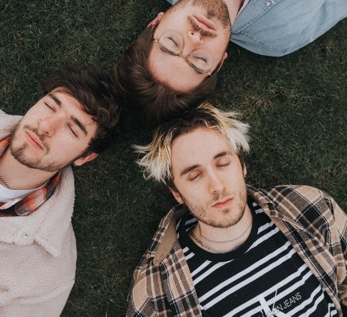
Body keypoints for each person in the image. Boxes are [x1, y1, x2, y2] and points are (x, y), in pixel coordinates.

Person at [115, 0, 347, 126]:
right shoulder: (282, 33)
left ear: (155, 23)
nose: (194, 39)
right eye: (199, 61)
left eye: (171, 43)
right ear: (219, 63)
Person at [127, 102, 347, 316]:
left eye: (223, 164)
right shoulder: (155, 289)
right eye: (194, 176)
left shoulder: (308, 207)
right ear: (176, 192)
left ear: (242, 165)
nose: (217, 186)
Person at [0, 64, 122, 317]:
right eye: (50, 106)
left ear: (86, 157)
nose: (46, 126)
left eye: (72, 129)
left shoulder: (51, 274)